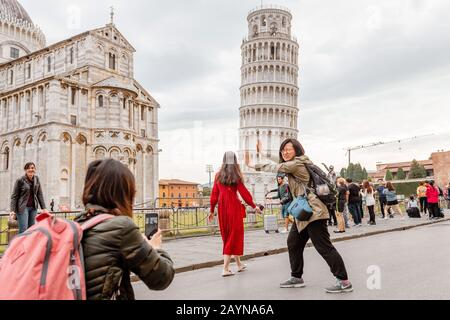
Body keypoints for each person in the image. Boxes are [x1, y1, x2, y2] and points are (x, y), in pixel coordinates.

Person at [252, 139, 353, 293]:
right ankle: (296, 277)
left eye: (288, 149)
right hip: (303, 212)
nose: (285, 152)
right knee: (293, 242)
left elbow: (277, 166)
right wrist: (263, 153)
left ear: (297, 150)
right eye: (283, 150)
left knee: (324, 247)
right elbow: (281, 161)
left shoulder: (297, 164)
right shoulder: (296, 162)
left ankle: (344, 281)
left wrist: (254, 165)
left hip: (313, 212)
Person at [74, 159, 175, 300]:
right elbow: (162, 277)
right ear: (123, 193)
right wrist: (156, 248)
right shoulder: (122, 227)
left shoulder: (77, 223)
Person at [209, 151, 261, 277]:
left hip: (222, 209)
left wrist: (211, 210)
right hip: (234, 208)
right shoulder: (236, 176)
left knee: (228, 236)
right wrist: (254, 206)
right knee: (233, 236)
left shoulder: (217, 176)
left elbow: (214, 196)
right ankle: (225, 268)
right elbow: (244, 193)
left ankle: (239, 264)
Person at [9, 162, 46, 234]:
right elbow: (14, 196)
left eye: (32, 168)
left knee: (31, 230)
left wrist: (44, 208)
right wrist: (12, 210)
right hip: (22, 208)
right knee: (23, 230)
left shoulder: (37, 179)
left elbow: (39, 194)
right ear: (25, 170)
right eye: (28, 168)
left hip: (33, 208)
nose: (30, 169)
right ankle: (19, 245)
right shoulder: (20, 180)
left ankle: (29, 245)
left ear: (35, 169)